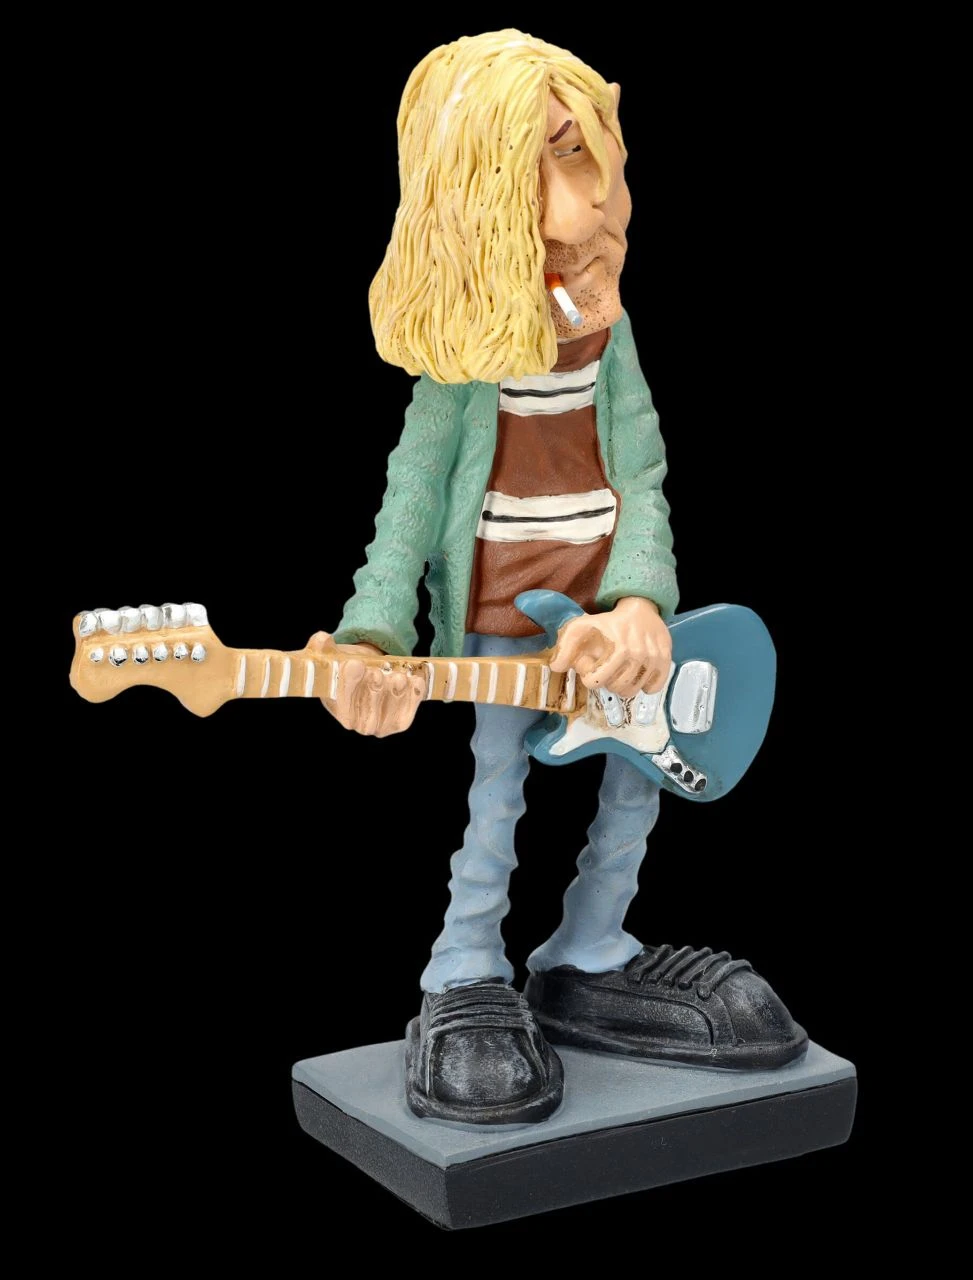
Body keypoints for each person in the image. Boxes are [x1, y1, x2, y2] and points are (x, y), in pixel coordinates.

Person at [310, 30, 805, 1126]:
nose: (604, 196)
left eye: (598, 152)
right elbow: (408, 498)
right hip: (504, 610)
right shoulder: (461, 365)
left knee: (633, 783)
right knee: (497, 794)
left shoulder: (609, 336)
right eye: (564, 153)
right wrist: (374, 633)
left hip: (604, 617)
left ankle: (591, 946)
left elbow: (643, 476)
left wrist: (639, 603)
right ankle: (465, 964)